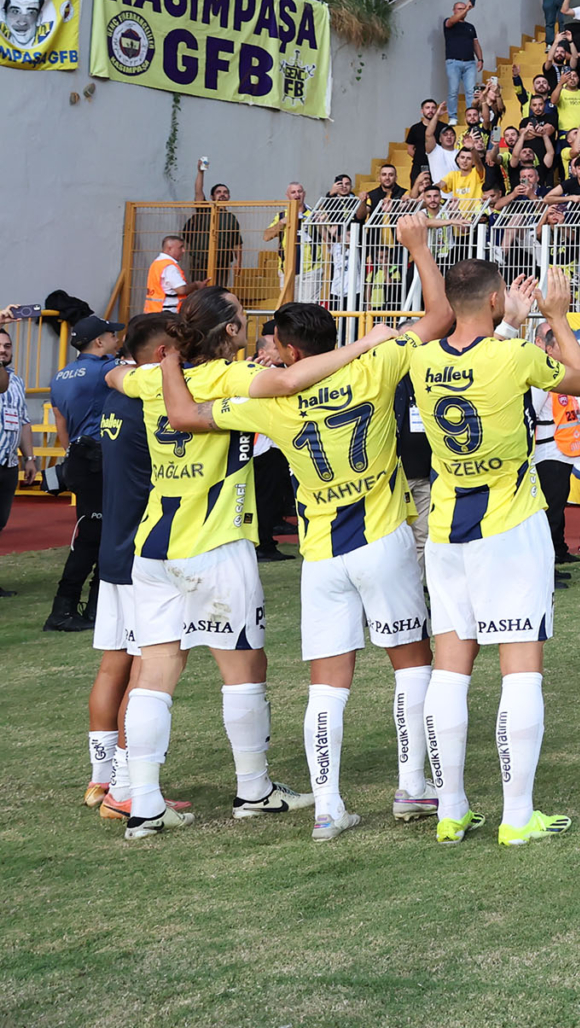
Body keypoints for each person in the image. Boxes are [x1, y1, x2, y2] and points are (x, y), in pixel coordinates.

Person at [158, 212, 454, 838]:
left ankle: (327, 807)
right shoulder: (372, 365)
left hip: (320, 555)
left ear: (289, 352)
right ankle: (412, 788)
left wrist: (169, 359)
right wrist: (419, 249)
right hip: (384, 540)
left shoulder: (270, 400)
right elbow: (438, 318)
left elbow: (182, 415)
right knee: (411, 661)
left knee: (328, 683)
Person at [106, 285, 384, 836]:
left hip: (154, 546)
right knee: (243, 668)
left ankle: (143, 801)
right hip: (216, 544)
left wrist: (155, 364)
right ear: (230, 331)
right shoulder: (225, 377)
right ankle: (253, 788)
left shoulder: (151, 376)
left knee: (155, 672)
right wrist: (365, 345)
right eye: (240, 315)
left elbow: (114, 375)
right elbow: (287, 380)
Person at [408, 261, 580, 846]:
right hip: (509, 528)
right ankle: (517, 816)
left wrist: (505, 325)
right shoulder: (512, 357)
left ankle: (452, 808)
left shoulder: (420, 358)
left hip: (445, 528)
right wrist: (557, 319)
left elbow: (472, 358)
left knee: (450, 669)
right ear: (495, 300)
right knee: (520, 669)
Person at [85, 315, 173, 822]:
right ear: (161, 354)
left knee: (114, 662)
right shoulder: (151, 400)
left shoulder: (116, 394)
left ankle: (99, 780)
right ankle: (123, 787)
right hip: (143, 550)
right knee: (144, 669)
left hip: (113, 547)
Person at [45, 315, 122, 638]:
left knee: (93, 534)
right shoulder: (105, 369)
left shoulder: (61, 375)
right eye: (112, 336)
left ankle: (86, 606)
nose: (117, 340)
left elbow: (61, 421)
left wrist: (72, 455)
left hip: (80, 455)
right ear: (99, 342)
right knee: (98, 536)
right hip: (99, 458)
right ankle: (70, 609)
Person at [444, 0, 485, 116]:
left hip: (470, 63)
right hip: (453, 62)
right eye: (459, 9)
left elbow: (476, 43)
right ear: (454, 10)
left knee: (471, 92)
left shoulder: (470, 27)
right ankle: (452, 116)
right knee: (453, 91)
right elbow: (452, 21)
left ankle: (471, 115)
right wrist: (467, 7)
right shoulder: (448, 22)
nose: (463, 11)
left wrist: (480, 59)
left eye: (464, 9)